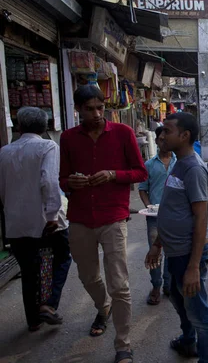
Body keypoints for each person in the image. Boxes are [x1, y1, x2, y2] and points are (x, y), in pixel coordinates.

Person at [60, 85, 147, 363]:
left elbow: (139, 172)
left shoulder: (123, 133)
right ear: (78, 110)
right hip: (80, 217)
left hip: (113, 217)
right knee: (88, 276)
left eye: (101, 108)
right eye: (89, 109)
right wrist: (70, 183)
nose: (97, 114)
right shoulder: (68, 138)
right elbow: (62, 179)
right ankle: (103, 306)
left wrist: (112, 174)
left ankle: (123, 345)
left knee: (119, 284)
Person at [145, 112, 208, 362]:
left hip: (188, 255)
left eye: (167, 130)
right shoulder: (178, 164)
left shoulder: (194, 169)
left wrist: (194, 266)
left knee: (198, 312)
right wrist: (157, 244)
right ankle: (188, 341)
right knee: (178, 298)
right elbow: (171, 209)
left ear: (184, 136)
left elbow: (201, 219)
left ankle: (206, 358)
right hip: (174, 253)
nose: (162, 135)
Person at [0, 107, 71, 332]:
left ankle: (33, 320)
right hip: (44, 220)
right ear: (44, 127)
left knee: (29, 271)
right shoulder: (48, 146)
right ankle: (48, 305)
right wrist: (52, 215)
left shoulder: (4, 151)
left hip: (15, 222)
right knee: (61, 259)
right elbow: (49, 181)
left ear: (19, 127)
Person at [139, 127, 176, 305]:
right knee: (155, 251)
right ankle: (156, 286)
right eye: (160, 139)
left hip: (175, 216)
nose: (164, 142)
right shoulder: (149, 165)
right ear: (156, 141)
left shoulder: (180, 162)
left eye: (166, 138)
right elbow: (142, 190)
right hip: (154, 218)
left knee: (171, 252)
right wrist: (149, 207)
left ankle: (168, 285)